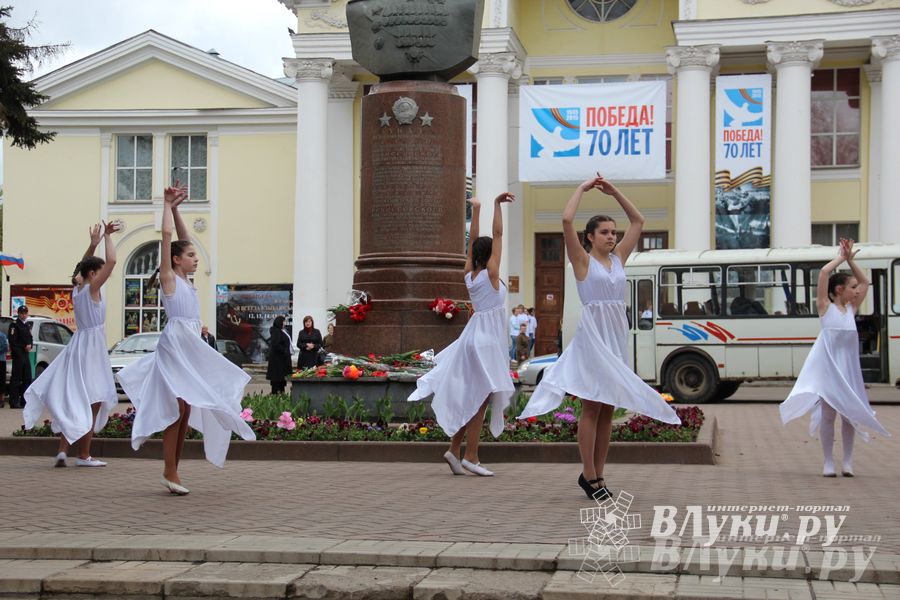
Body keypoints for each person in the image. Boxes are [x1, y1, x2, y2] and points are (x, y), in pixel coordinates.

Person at [519, 175, 680, 499]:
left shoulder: (619, 257)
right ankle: (589, 475)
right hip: (593, 337)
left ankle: (599, 474)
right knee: (593, 405)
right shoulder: (582, 260)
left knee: (609, 407)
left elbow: (639, 219)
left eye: (613, 232)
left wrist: (614, 191)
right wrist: (581, 188)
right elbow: (566, 219)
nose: (611, 236)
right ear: (589, 237)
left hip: (616, 335)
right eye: (604, 232)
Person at [117, 181, 255, 495]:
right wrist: (165, 206)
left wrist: (178, 209)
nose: (195, 258)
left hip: (190, 341)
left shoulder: (185, 278)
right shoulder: (168, 277)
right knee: (177, 407)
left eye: (194, 255)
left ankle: (173, 469)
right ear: (176, 260)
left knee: (186, 408)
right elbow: (169, 239)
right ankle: (169, 469)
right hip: (176, 343)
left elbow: (182, 237)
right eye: (190, 255)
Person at [408, 192, 516, 477]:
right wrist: (495, 205)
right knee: (481, 398)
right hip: (487, 340)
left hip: (472, 336)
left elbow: (473, 242)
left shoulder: (469, 274)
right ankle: (472, 456)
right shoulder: (492, 275)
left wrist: (477, 209)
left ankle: (455, 451)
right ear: (490, 255)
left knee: (474, 396)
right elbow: (497, 233)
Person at [780, 238, 890, 477]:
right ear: (840, 289)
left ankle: (847, 462)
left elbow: (865, 281)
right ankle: (828, 462)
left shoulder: (851, 309)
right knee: (829, 415)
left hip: (849, 371)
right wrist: (841, 258)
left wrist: (851, 260)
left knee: (849, 415)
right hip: (830, 370)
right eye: (851, 287)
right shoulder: (824, 306)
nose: (856, 290)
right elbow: (824, 272)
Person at [24, 221, 121, 467]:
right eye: (98, 271)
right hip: (92, 348)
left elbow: (80, 267)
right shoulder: (92, 289)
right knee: (93, 400)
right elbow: (112, 262)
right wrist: (108, 237)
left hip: (79, 344)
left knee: (77, 397)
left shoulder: (77, 289)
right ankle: (84, 455)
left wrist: (92, 244)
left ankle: (63, 451)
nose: (103, 274)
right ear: (92, 274)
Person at [7, 305, 33, 409]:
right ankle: (14, 402)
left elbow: (30, 338)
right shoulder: (14, 325)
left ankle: (24, 401)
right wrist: (23, 346)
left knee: (27, 378)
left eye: (25, 313)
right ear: (18, 313)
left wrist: (30, 345)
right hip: (18, 355)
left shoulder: (26, 325)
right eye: (22, 313)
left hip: (26, 355)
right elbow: (13, 341)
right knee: (16, 379)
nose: (24, 315)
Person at [266, 316, 292, 394]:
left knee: (281, 380)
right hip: (278, 360)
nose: (285, 323)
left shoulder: (281, 331)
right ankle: (276, 394)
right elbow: (276, 344)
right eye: (284, 321)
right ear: (280, 322)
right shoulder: (276, 332)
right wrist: (284, 350)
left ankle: (281, 393)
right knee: (277, 380)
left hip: (282, 360)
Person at [0, 327, 7, 408]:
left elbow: (5, 347)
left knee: (1, 380)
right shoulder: (3, 335)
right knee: (2, 380)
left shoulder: (2, 336)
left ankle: (2, 399)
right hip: (2, 360)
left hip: (1, 360)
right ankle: (2, 399)